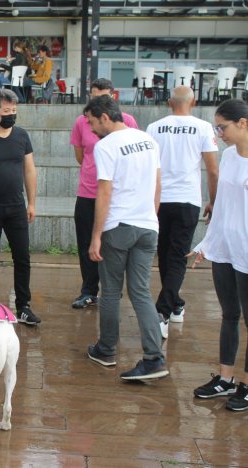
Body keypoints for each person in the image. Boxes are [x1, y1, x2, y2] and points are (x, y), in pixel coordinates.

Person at [85, 95, 168, 381]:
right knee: (141, 292)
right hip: (147, 225)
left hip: (118, 226)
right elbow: (158, 183)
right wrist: (152, 217)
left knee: (110, 292)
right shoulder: (148, 140)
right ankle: (154, 357)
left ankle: (106, 349)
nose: (92, 129)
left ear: (105, 117)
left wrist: (96, 236)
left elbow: (104, 192)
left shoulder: (106, 146)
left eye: (93, 122)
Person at [146, 86, 219, 340]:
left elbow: (147, 166)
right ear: (194, 102)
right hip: (187, 199)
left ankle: (168, 307)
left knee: (167, 254)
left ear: (169, 103)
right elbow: (212, 169)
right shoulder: (203, 127)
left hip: (160, 199)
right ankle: (169, 307)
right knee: (174, 256)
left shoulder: (154, 127)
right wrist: (213, 200)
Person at [189, 99, 248, 411]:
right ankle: (225, 379)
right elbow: (221, 206)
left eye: (222, 127)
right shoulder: (228, 157)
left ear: (243, 123)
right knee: (229, 314)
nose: (219, 133)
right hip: (227, 247)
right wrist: (207, 244)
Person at [70, 79, 138, 310]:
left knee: (111, 244)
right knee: (86, 243)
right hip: (88, 191)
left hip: (117, 195)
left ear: (113, 97)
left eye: (103, 96)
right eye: (93, 96)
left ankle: (112, 291)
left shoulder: (127, 122)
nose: (97, 101)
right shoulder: (83, 122)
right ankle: (88, 290)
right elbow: (80, 155)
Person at [0, 89, 40, 326]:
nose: (12, 115)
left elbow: (29, 169)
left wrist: (32, 202)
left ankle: (23, 306)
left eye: (14, 111)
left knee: (23, 257)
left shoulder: (22, 135)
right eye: (7, 111)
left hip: (16, 205)